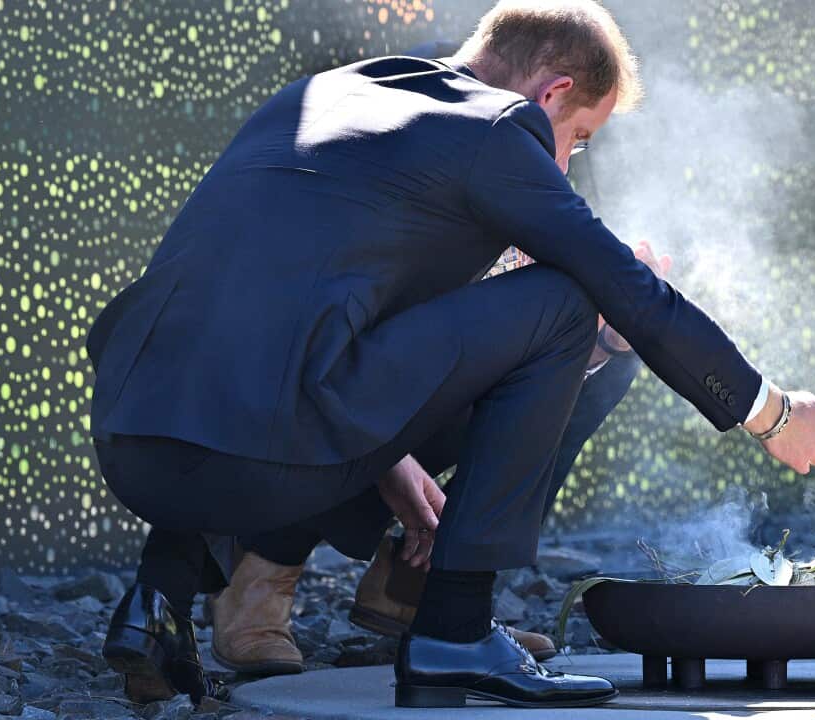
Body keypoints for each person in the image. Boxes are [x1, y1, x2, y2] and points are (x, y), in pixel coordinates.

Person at [88, 0, 815, 709]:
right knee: (571, 301)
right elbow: (626, 288)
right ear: (553, 92)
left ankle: (156, 604)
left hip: (132, 442)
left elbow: (278, 303)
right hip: (261, 460)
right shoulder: (497, 128)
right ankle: (454, 627)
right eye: (580, 138)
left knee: (236, 339)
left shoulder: (326, 94)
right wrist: (772, 412)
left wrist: (391, 453)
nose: (566, 163)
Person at [204, 242, 660, 675]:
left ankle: (422, 584)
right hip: (310, 365)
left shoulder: (543, 215)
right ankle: (263, 571)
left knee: (596, 356)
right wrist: (384, 450)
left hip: (423, 376)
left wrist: (602, 340)